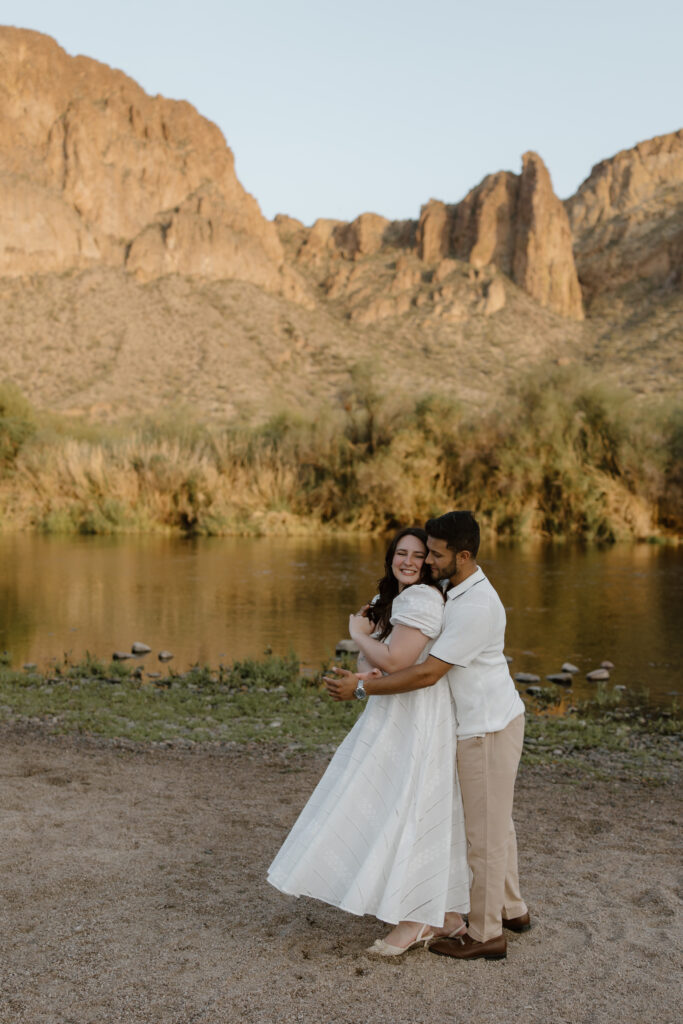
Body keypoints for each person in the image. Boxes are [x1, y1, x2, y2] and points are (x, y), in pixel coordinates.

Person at [326, 510, 528, 962]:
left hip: (488, 726)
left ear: (464, 555)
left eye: (435, 554)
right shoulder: (453, 589)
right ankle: (513, 910)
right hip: (481, 720)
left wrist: (362, 685)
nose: (427, 561)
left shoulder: (476, 606)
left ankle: (486, 934)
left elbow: (426, 674)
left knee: (484, 834)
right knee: (497, 823)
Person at [267, 527, 470, 956]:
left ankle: (417, 919)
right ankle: (444, 914)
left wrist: (358, 633)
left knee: (408, 804)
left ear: (432, 561)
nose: (410, 561)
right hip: (396, 709)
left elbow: (396, 660)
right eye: (402, 553)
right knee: (395, 802)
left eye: (419, 555)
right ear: (390, 557)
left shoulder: (421, 598)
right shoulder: (401, 601)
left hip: (416, 715)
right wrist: (362, 676)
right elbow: (388, 667)